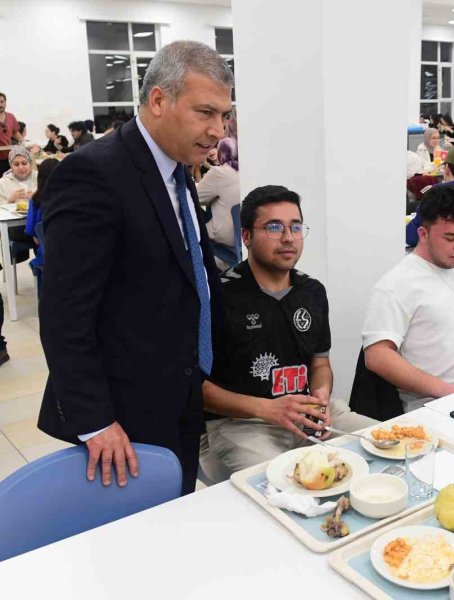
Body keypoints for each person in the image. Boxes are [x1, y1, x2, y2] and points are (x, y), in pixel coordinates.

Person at [37, 40, 234, 495]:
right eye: (205, 112)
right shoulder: (94, 174)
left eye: (223, 115)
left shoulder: (177, 167)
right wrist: (95, 421)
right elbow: (65, 314)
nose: (218, 130)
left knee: (175, 515)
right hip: (122, 414)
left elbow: (187, 276)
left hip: (179, 391)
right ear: (159, 100)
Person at [199, 185, 377, 482]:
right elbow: (198, 389)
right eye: (273, 227)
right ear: (246, 236)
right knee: (285, 484)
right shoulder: (219, 296)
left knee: (387, 444)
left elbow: (320, 364)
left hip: (307, 413)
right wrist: (268, 409)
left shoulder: (312, 291)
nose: (288, 237)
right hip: (242, 425)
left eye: (295, 227)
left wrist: (321, 395)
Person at [365, 186, 454, 413]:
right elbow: (377, 355)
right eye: (451, 238)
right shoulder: (397, 284)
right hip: (435, 406)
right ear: (423, 234)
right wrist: (448, 391)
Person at [197, 137, 241, 256]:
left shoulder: (219, 173)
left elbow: (196, 196)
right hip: (240, 236)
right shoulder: (244, 171)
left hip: (224, 236)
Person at [24, 158, 59, 288]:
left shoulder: (35, 200)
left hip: (47, 256)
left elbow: (35, 237)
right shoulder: (72, 198)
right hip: (73, 253)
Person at [0, 92, 23, 163]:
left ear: (5, 102)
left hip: (9, 157)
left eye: (2, 102)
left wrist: (23, 143)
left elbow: (17, 135)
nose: (0, 105)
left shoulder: (11, 117)